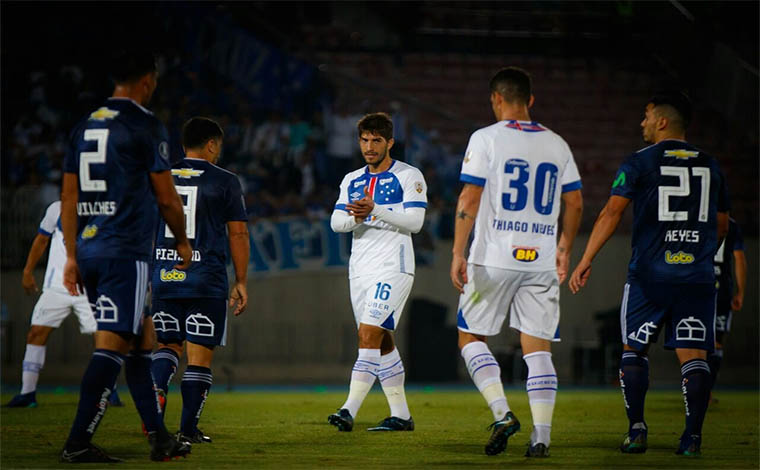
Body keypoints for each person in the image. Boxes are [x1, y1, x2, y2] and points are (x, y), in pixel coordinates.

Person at [569, 91, 729, 456]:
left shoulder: (639, 162)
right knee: (695, 357)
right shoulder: (711, 164)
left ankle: (637, 430)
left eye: (646, 116)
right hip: (697, 278)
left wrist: (585, 258)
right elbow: (721, 224)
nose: (641, 123)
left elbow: (612, 212)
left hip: (649, 275)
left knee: (634, 350)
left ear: (661, 121)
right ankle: (692, 439)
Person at [59, 50, 192, 463]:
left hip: (91, 248)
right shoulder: (144, 124)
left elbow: (68, 194)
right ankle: (78, 442)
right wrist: (182, 240)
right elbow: (167, 197)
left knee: (141, 342)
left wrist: (70, 254)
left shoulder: (84, 125)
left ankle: (159, 437)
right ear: (147, 80)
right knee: (112, 347)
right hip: (125, 252)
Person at [450, 67, 583, 458]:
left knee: (470, 337)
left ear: (496, 99)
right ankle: (541, 438)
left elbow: (469, 199)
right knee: (537, 348)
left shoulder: (485, 138)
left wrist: (458, 252)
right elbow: (574, 202)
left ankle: (502, 413)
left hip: (493, 258)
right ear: (530, 101)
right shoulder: (557, 144)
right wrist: (564, 248)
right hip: (540, 259)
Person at [150, 117, 249, 444]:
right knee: (199, 355)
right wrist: (241, 280)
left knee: (166, 346)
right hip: (205, 280)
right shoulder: (225, 180)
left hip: (164, 275)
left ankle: (155, 409)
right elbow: (238, 232)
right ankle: (188, 429)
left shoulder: (161, 178)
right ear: (211, 144)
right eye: (217, 146)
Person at [328, 112, 427, 432]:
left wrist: (375, 210)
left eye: (376, 140)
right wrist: (357, 218)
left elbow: (415, 222)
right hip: (360, 270)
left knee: (368, 334)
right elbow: (336, 223)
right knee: (381, 341)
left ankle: (348, 410)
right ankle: (401, 415)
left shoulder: (409, 176)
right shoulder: (351, 179)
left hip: (393, 267)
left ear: (390, 143)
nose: (369, 147)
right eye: (365, 140)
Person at [5, 201, 104, 408]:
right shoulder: (56, 208)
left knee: (103, 339)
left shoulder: (101, 208)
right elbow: (42, 239)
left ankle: (107, 390)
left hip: (88, 288)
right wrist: (27, 271)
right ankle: (27, 392)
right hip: (56, 287)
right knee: (36, 333)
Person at [709, 217, 746, 401]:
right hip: (722, 289)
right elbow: (739, 258)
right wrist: (740, 291)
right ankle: (705, 390)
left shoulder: (697, 216)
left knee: (691, 340)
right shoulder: (731, 225)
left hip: (697, 283)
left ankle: (695, 387)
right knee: (716, 342)